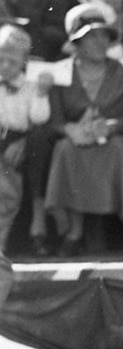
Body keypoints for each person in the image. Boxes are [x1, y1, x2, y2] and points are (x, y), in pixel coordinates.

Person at [39, 3, 123, 256]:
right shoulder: (60, 72)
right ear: (76, 42)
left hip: (112, 139)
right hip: (76, 140)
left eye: (104, 35)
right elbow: (52, 118)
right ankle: (72, 232)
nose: (100, 42)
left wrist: (112, 126)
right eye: (91, 36)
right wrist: (68, 129)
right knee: (64, 149)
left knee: (120, 149)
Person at [0, 24, 51, 255]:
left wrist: (41, 93)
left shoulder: (30, 85)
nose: (5, 66)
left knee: (9, 195)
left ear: (23, 61)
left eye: (12, 61)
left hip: (19, 140)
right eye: (0, 59)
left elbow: (39, 117)